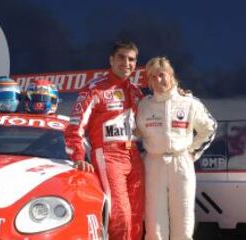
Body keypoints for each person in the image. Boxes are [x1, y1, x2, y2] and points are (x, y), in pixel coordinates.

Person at [64, 40, 145, 240]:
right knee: (120, 215)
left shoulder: (136, 92)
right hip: (109, 155)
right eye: (121, 57)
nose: (126, 63)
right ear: (111, 59)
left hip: (134, 155)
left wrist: (178, 96)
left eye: (131, 59)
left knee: (137, 215)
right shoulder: (95, 89)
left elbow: (153, 118)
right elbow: (75, 125)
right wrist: (78, 155)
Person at [136, 57, 217, 240]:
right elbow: (134, 132)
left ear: (172, 76)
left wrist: (192, 152)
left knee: (184, 218)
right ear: (148, 81)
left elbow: (209, 128)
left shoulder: (189, 103)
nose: (158, 81)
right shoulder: (144, 105)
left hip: (181, 163)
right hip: (153, 164)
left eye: (162, 75)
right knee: (154, 221)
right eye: (153, 77)